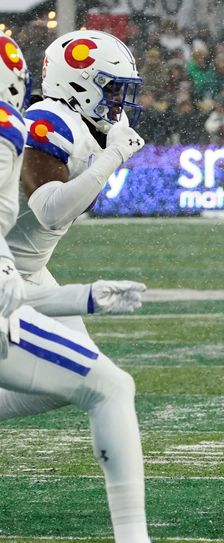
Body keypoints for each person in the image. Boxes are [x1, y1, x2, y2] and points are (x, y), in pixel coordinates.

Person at [0, 34, 151, 543]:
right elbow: (49, 207)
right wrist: (110, 161)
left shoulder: (83, 125)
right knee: (106, 385)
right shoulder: (51, 121)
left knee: (73, 386)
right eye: (110, 89)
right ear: (79, 83)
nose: (119, 101)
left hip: (26, 271)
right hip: (13, 273)